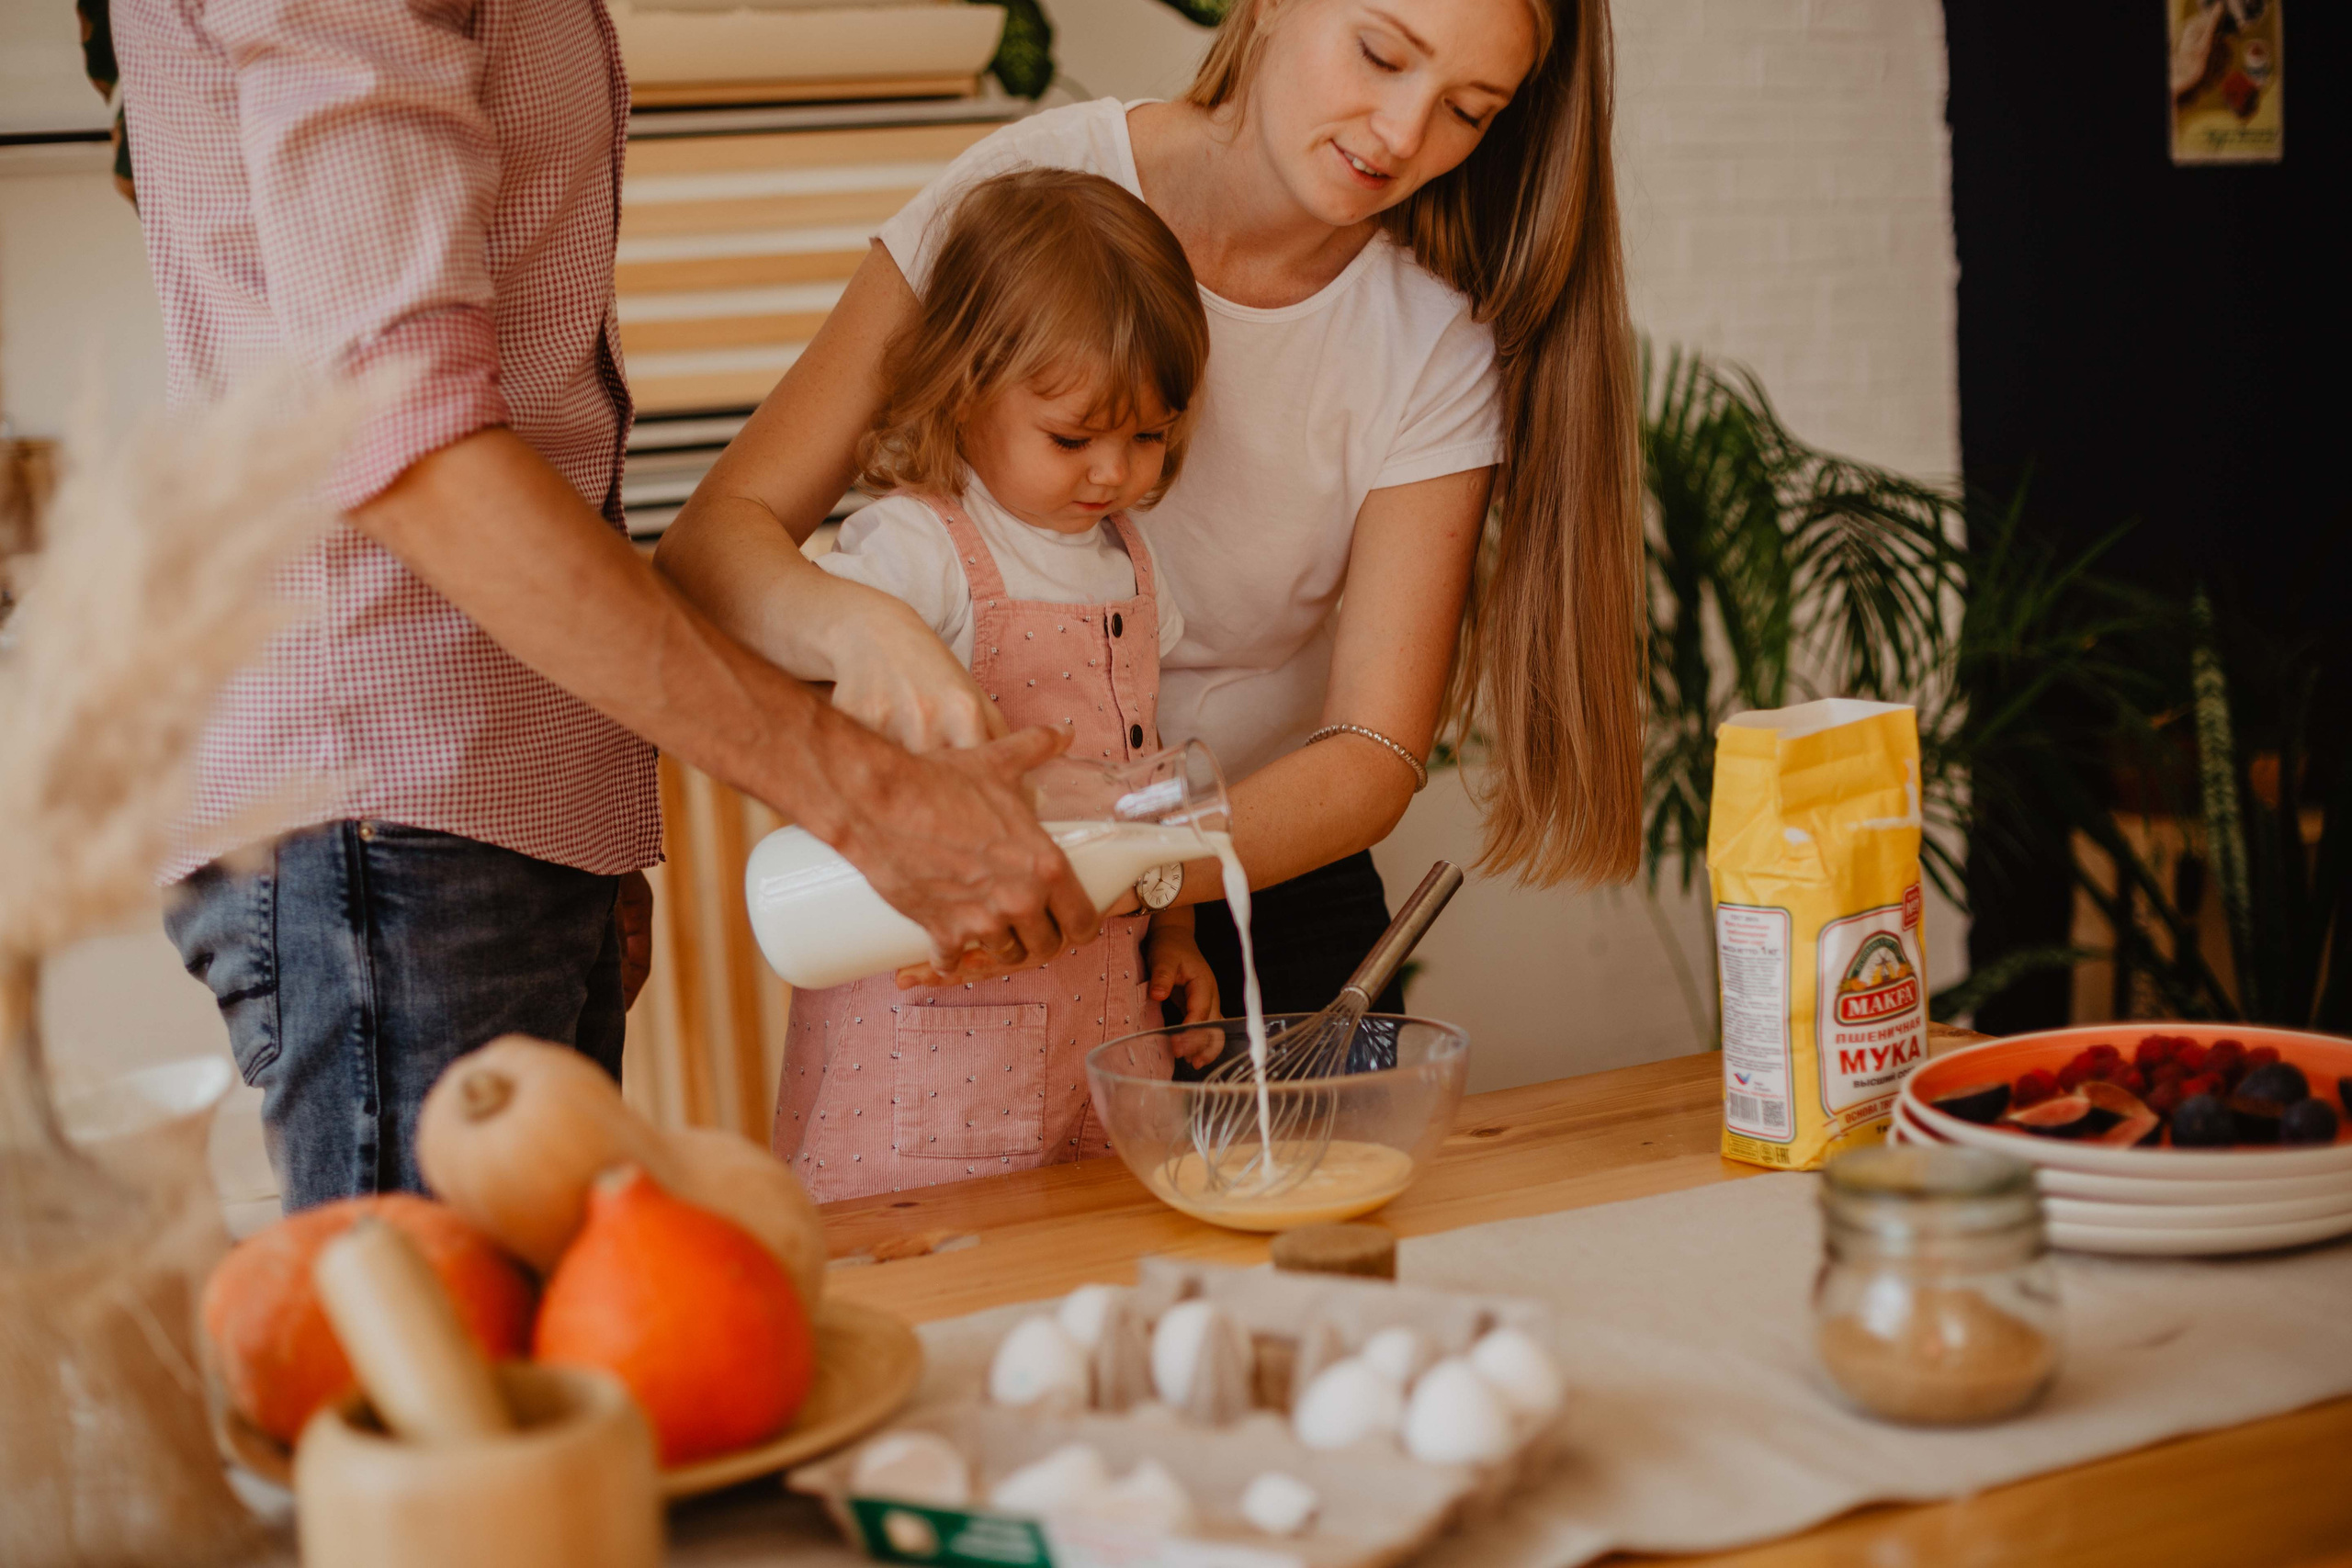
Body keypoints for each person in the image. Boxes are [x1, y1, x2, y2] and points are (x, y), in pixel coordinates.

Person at [112, 0, 1099, 1211]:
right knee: (444, 1383)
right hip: (386, 810)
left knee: (554, 1370)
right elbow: (412, 450)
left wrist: (585, 824)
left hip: (485, 814)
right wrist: (874, 798)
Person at [656, 0, 1645, 1020]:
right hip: (974, 881)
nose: (1402, 136)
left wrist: (1128, 867)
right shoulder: (1028, 196)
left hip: (1251, 874)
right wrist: (868, 631)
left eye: (1467, 111)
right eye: (1380, 53)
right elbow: (711, 547)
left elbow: (1373, 755)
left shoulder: (1429, 338)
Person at [777, 169, 1224, 1199]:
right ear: (967, 387)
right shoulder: (916, 551)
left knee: (1106, 1230)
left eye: (1147, 437)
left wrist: (1178, 926)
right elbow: (813, 705)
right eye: (1073, 438)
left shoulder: (1138, 568)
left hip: (1104, 1002)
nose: (1113, 474)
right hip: (942, 1021)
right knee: (932, 1252)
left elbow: (1151, 778)